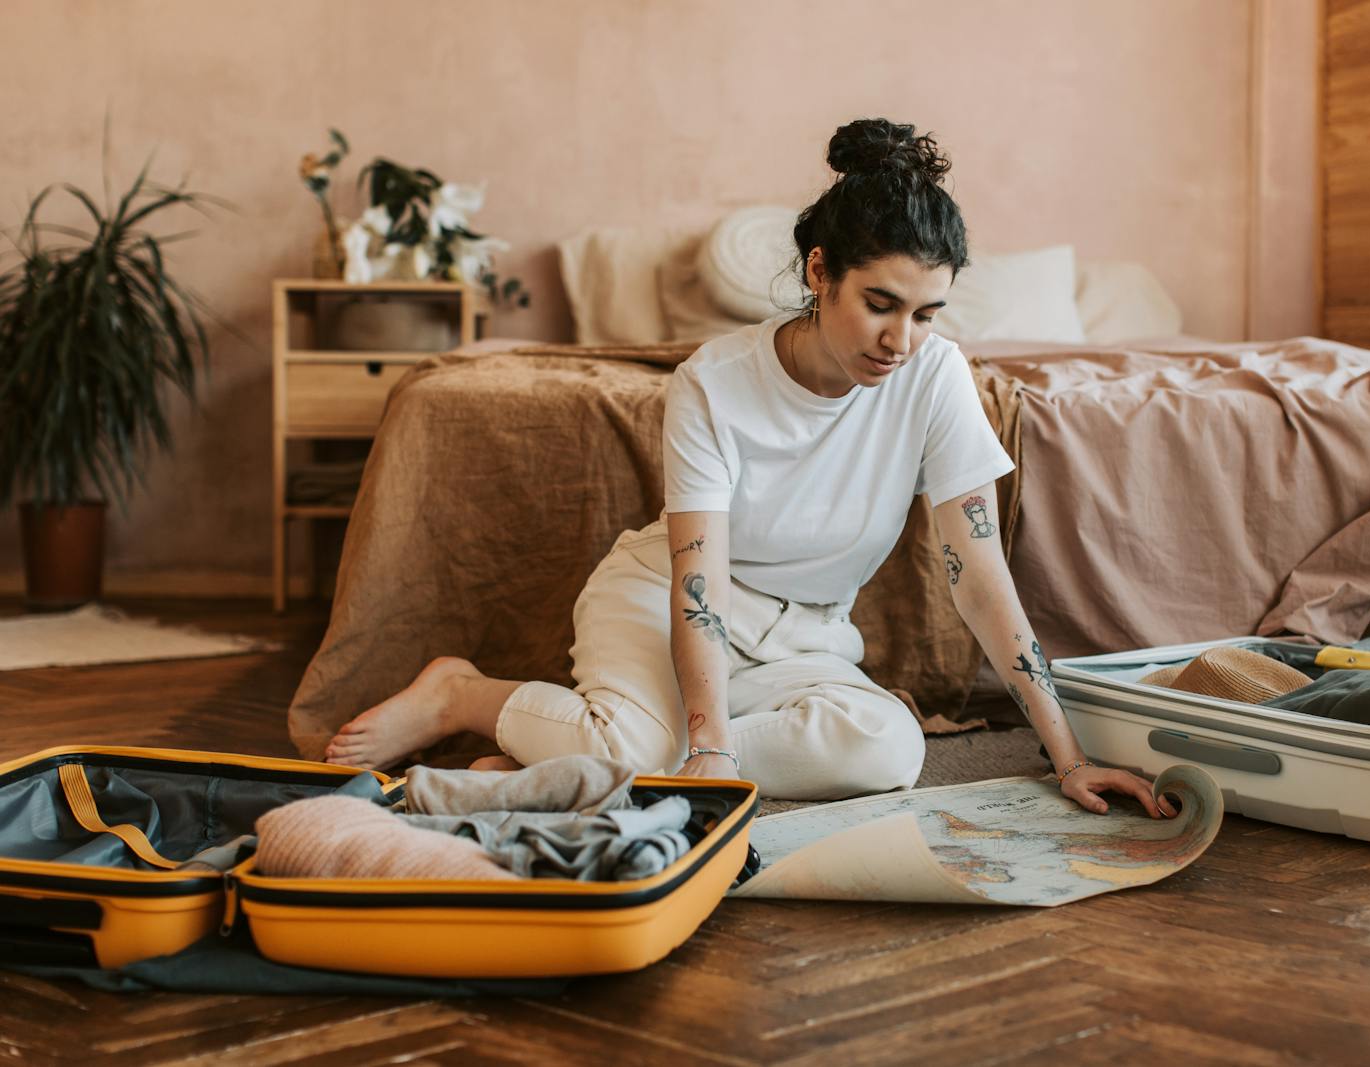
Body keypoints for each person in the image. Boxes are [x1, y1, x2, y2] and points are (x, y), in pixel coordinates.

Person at [325, 118, 1172, 818]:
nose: (901, 340)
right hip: (668, 600)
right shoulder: (714, 383)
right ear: (819, 272)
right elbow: (700, 589)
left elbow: (981, 579)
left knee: (889, 746)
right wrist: (709, 747)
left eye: (925, 312)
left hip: (804, 636)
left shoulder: (936, 374)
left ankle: (575, 769)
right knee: (666, 744)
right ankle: (461, 695)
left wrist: (1067, 758)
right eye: (880, 303)